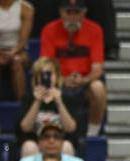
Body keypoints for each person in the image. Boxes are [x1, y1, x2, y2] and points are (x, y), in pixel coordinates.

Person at [39, 0, 106, 137]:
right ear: (61, 13)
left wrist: (84, 80)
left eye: (77, 12)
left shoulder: (95, 30)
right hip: (59, 81)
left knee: (98, 87)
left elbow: (97, 69)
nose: (72, 16)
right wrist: (61, 80)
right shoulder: (49, 30)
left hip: (84, 82)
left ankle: (93, 132)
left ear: (84, 13)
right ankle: (47, 132)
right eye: (68, 12)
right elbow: (46, 66)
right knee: (44, 82)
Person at [17, 56, 78, 157]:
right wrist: (37, 101)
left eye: (49, 73)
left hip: (59, 142)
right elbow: (25, 128)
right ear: (36, 77)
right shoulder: (28, 98)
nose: (45, 77)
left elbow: (71, 128)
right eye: (41, 74)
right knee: (29, 147)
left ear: (57, 76)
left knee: (67, 146)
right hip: (36, 143)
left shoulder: (67, 99)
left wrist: (59, 102)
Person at [0, 0, 33, 101]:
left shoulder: (26, 8)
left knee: (17, 62)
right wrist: (0, 53)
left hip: (18, 50)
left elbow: (24, 39)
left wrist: (13, 53)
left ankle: (22, 105)